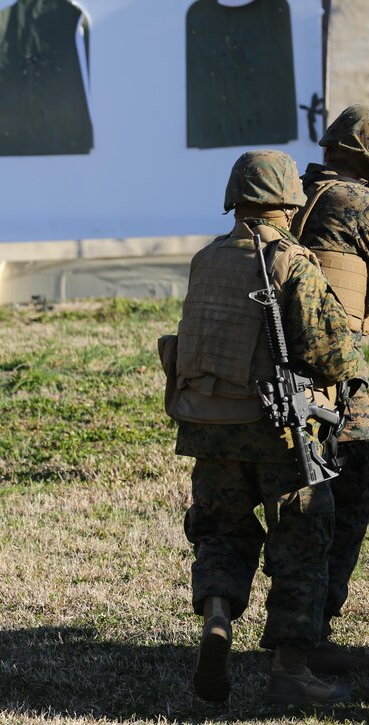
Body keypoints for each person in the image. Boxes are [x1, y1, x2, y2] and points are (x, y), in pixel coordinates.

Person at [166, 150, 369, 706]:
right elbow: (330, 354)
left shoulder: (205, 259)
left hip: (209, 427)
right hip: (278, 432)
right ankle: (291, 669)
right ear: (288, 201)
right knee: (303, 540)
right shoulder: (292, 262)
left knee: (222, 532)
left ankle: (216, 615)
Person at [289, 104, 369, 674]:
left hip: (285, 376)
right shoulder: (357, 202)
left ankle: (299, 632)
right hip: (342, 381)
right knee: (348, 499)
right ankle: (313, 634)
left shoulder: (293, 195)